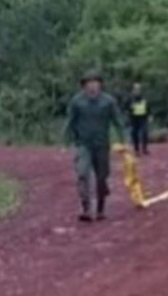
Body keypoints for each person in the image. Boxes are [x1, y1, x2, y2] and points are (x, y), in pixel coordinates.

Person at [64, 70, 126, 222]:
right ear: (84, 86)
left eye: (95, 82)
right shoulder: (77, 101)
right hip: (84, 144)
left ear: (100, 84)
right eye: (89, 83)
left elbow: (117, 121)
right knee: (82, 174)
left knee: (102, 177)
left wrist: (123, 140)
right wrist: (66, 140)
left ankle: (100, 208)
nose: (92, 86)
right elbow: (70, 121)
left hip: (102, 144)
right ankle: (85, 207)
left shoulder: (108, 101)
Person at [127, 83, 150, 156]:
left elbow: (148, 107)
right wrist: (130, 108)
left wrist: (150, 115)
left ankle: (144, 149)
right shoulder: (130, 99)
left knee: (144, 132)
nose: (137, 91)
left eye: (138, 89)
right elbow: (124, 107)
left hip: (143, 118)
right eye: (135, 89)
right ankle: (136, 149)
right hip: (134, 118)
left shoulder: (144, 98)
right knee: (134, 133)